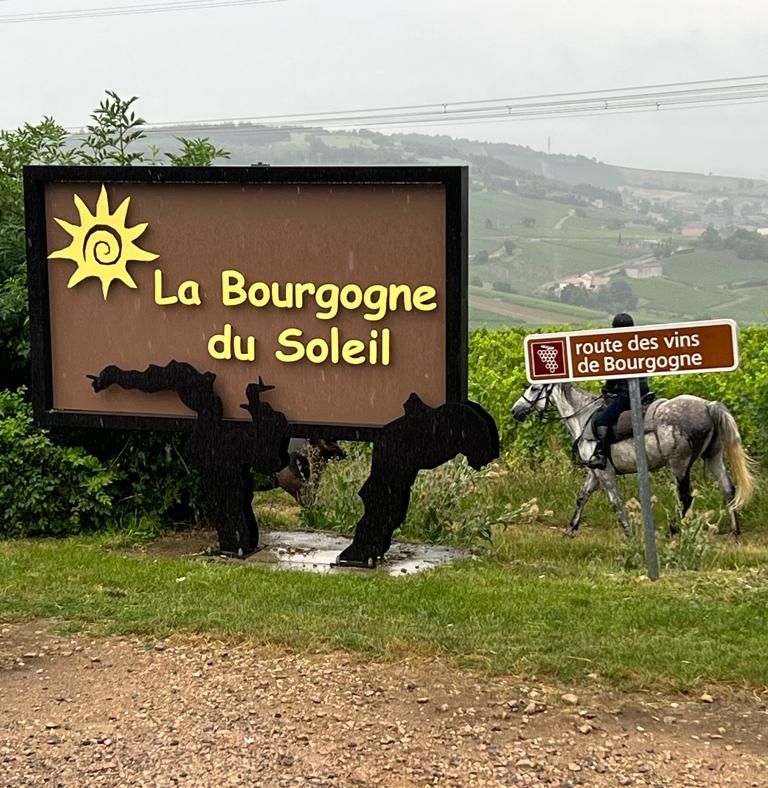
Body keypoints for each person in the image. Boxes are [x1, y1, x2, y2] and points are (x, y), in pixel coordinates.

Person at [587, 312, 653, 470]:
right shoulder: (639, 343)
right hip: (644, 390)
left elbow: (615, 373)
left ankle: (601, 456)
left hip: (627, 395)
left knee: (601, 420)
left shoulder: (619, 346)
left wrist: (607, 389)